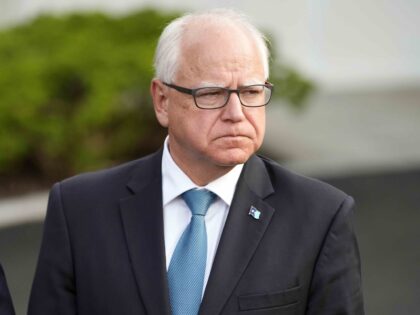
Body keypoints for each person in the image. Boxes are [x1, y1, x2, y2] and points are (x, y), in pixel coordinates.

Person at [28, 9, 364, 315]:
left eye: (251, 92)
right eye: (212, 94)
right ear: (162, 100)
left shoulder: (320, 216)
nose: (236, 114)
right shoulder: (79, 210)